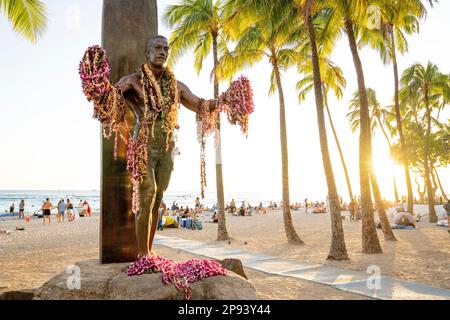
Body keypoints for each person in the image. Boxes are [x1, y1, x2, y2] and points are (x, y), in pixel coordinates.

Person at [114, 35, 219, 258]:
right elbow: (111, 99)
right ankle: (142, 255)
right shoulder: (133, 81)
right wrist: (101, 90)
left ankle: (149, 251)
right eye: (158, 48)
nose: (162, 52)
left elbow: (199, 105)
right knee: (148, 192)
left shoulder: (176, 86)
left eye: (166, 49)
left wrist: (224, 100)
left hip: (167, 148)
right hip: (143, 144)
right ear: (148, 51)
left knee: (158, 198)